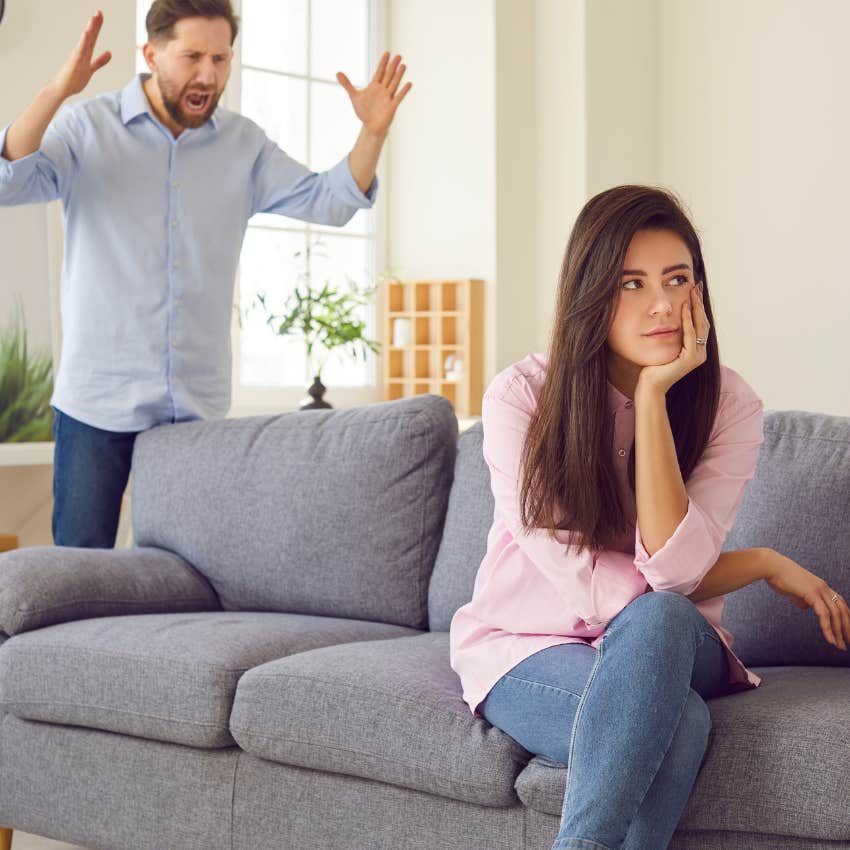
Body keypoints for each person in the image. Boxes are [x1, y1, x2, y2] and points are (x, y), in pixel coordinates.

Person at [449, 185, 850, 850]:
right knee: (680, 724)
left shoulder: (730, 407)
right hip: (522, 644)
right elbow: (575, 575)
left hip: (670, 640)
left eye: (677, 279)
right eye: (631, 283)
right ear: (591, 292)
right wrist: (758, 563)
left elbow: (678, 575)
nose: (661, 303)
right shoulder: (522, 397)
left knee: (661, 617)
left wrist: (655, 395)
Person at [0, 0, 410, 548]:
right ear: (151, 54)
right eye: (192, 56)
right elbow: (9, 180)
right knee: (77, 574)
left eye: (221, 58)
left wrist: (373, 133)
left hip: (195, 411)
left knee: (185, 580)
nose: (209, 74)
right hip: (98, 402)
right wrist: (56, 92)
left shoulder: (243, 145)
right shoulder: (88, 127)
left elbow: (328, 200)